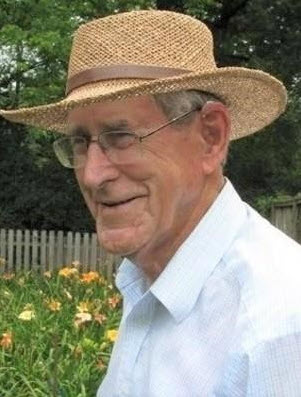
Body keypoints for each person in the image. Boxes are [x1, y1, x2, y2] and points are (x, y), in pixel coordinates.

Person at [1, 9, 301, 397]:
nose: (92, 175)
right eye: (79, 142)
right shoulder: (149, 277)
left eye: (121, 136)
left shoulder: (278, 327)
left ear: (211, 136)